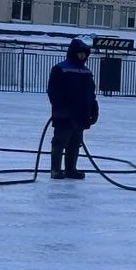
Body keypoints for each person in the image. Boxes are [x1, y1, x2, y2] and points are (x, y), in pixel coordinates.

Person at [47, 36, 99, 180]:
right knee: (60, 141)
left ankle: (71, 169)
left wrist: (93, 108)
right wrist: (60, 109)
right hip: (64, 114)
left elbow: (90, 92)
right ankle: (55, 169)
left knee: (75, 142)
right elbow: (53, 91)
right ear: (73, 53)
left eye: (84, 54)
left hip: (81, 114)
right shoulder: (60, 69)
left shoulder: (86, 72)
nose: (82, 56)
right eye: (80, 53)